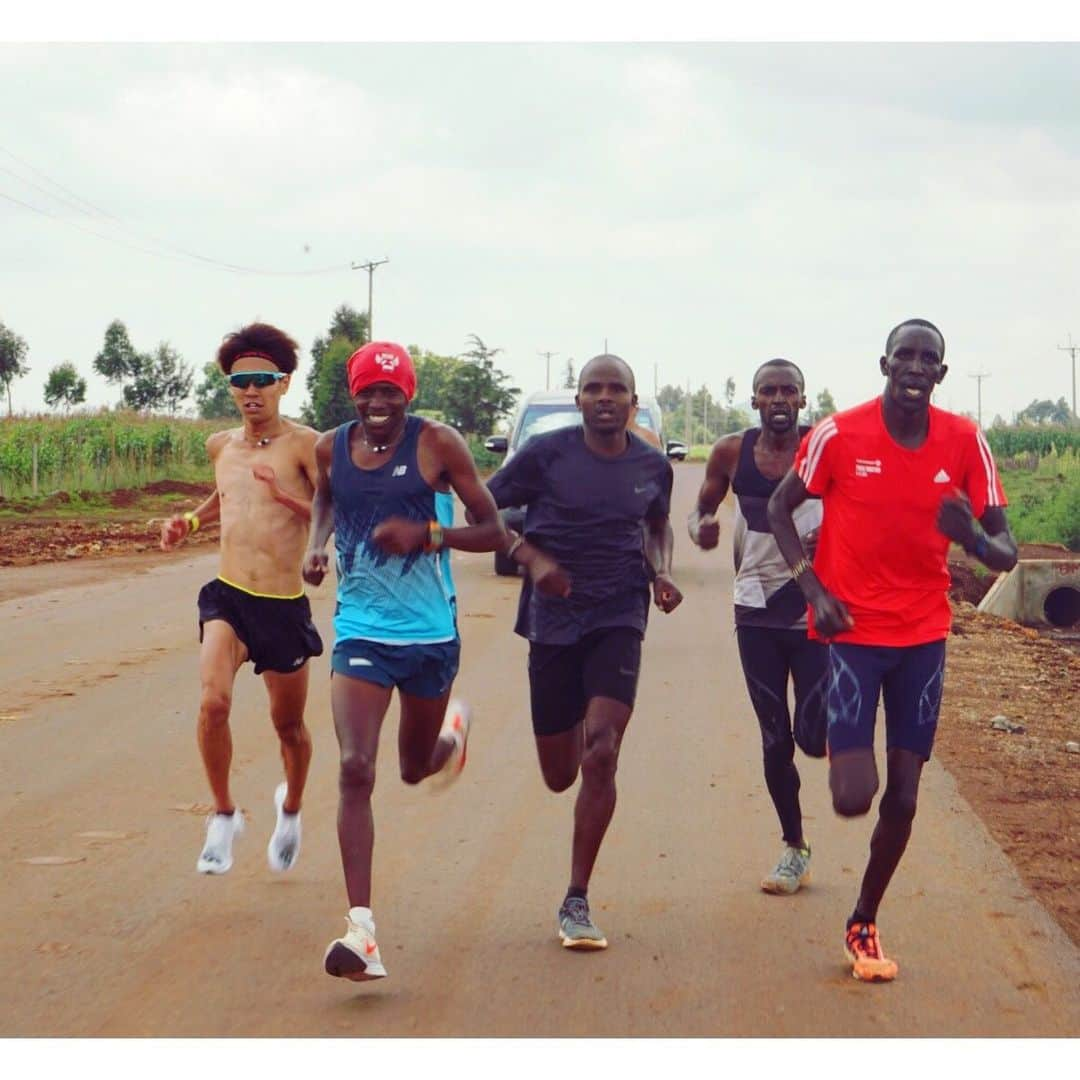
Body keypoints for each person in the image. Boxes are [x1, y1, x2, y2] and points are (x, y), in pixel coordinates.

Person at [767, 319, 1017, 982]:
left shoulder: (965, 441)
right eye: (903, 354)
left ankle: (864, 920)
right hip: (850, 631)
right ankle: (817, 718)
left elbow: (1006, 553)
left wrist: (973, 539)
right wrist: (811, 588)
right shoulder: (838, 435)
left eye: (926, 358)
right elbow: (778, 509)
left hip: (923, 638)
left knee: (903, 796)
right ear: (884, 363)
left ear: (940, 372)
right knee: (853, 794)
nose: (913, 366)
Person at [303, 341, 505, 983]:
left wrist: (427, 534)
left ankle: (450, 738)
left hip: (429, 634)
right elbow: (327, 500)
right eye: (368, 391)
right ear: (353, 394)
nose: (378, 402)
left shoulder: (438, 445)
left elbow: (494, 531)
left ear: (408, 394)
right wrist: (316, 546)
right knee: (356, 768)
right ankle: (361, 930)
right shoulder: (329, 447)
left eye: (391, 391)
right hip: (361, 630)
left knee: (413, 769)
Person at [486, 353, 683, 951]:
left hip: (619, 611)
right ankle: (570, 730)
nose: (604, 397)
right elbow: (485, 508)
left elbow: (656, 525)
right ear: (578, 400)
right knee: (558, 773)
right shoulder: (547, 455)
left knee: (602, 751)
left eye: (616, 389)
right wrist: (531, 557)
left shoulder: (652, 465)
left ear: (633, 399)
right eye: (593, 388)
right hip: (552, 617)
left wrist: (661, 571)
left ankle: (576, 897)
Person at [160, 322, 322, 877]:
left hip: (283, 605)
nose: (250, 391)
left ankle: (292, 808)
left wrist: (283, 495)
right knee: (213, 704)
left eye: (262, 380)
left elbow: (335, 514)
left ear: (284, 384)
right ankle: (224, 814)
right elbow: (223, 496)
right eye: (239, 382)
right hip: (229, 596)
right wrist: (188, 520)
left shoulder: (307, 445)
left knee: (289, 728)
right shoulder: (220, 446)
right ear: (230, 387)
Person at [689, 358, 826, 895]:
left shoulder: (824, 448)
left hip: (816, 606)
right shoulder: (731, 452)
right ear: (753, 401)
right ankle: (794, 846)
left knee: (813, 738)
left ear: (802, 399)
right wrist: (703, 527)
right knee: (775, 739)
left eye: (787, 391)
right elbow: (702, 508)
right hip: (756, 610)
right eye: (767, 391)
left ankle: (831, 731)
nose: (778, 400)